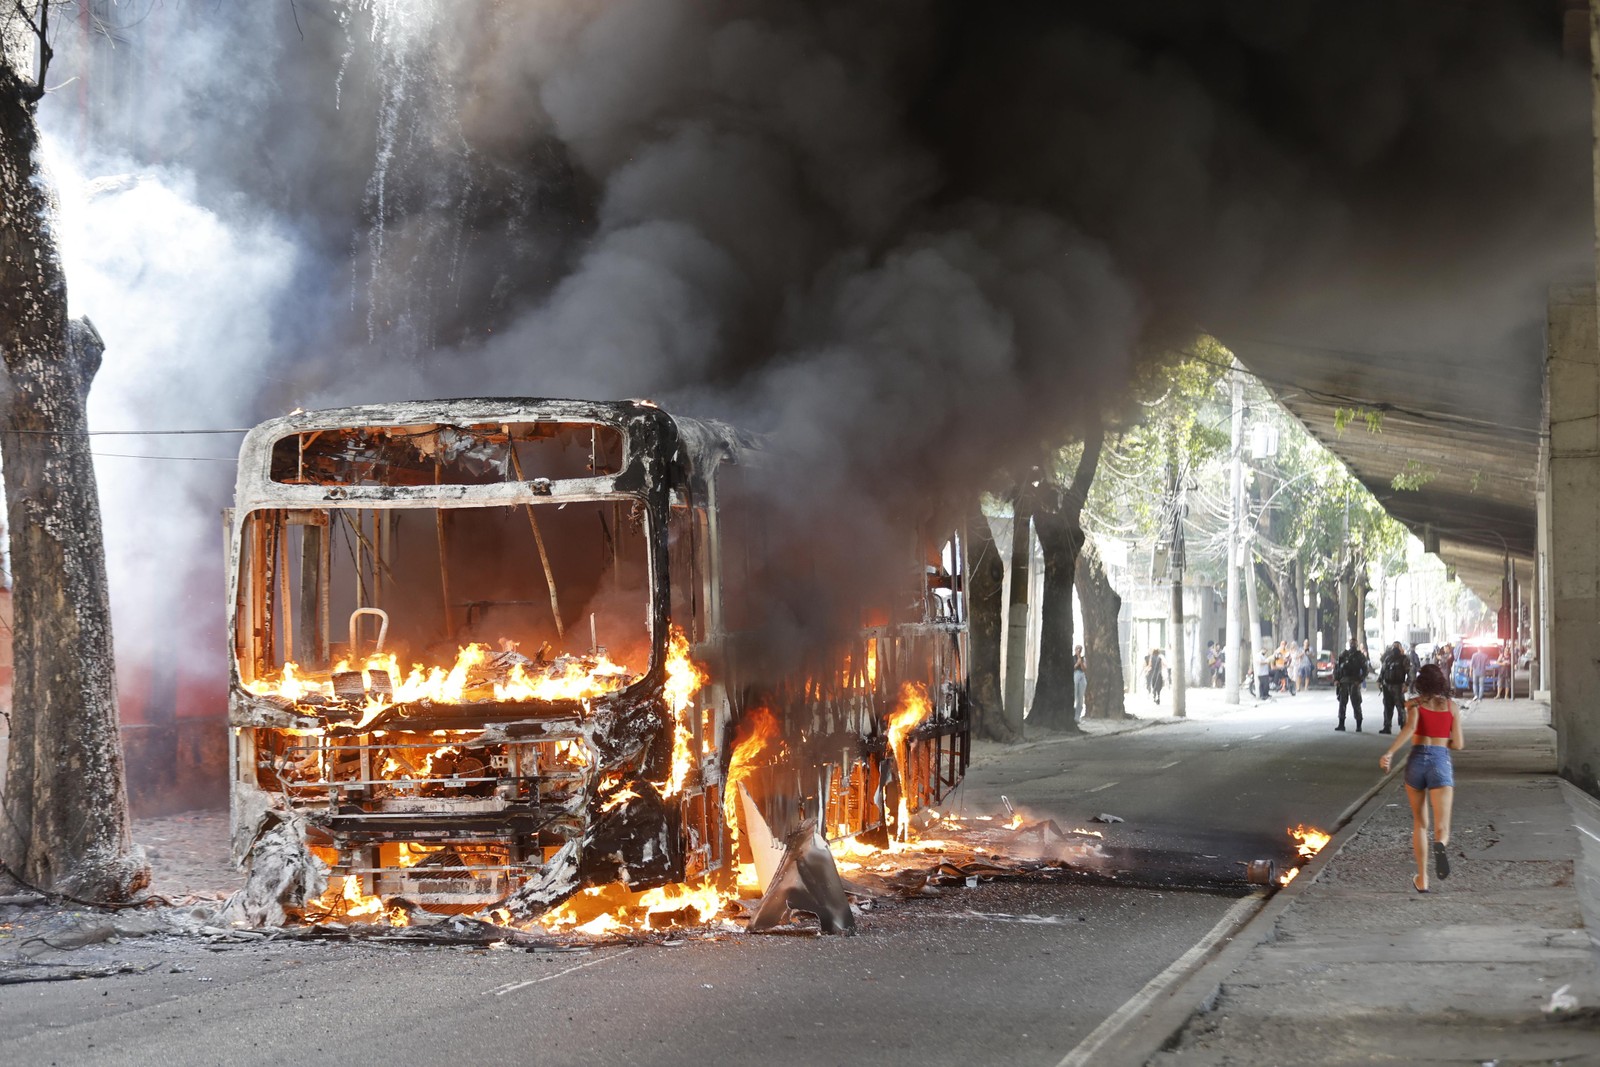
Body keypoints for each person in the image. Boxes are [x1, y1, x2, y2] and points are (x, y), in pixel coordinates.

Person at [1379, 663, 1465, 892]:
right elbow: (1458, 744)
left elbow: (1409, 728)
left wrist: (1390, 752)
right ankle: (1440, 844)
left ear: (1421, 683)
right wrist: (1440, 742)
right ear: (1442, 682)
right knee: (1442, 827)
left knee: (1420, 824)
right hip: (1440, 762)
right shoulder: (1451, 707)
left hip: (1416, 762)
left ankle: (1423, 878)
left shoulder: (1413, 704)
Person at [1334, 636, 1370, 731]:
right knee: (1342, 703)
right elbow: (1337, 668)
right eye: (1351, 643)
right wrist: (1336, 679)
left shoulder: (1360, 656)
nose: (1352, 645)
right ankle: (1341, 724)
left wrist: (1360, 680)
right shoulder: (1343, 654)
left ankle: (1359, 725)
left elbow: (1366, 669)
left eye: (1354, 643)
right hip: (1344, 682)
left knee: (1356, 703)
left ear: (1357, 644)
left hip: (1354, 681)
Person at [1073, 645, 1088, 720]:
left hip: (1082, 675)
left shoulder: (1083, 658)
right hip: (1075, 674)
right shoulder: (1072, 658)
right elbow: (1073, 667)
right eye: (1077, 649)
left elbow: (1084, 668)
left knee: (1080, 698)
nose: (1078, 651)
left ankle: (1077, 717)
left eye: (1080, 649)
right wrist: (1077, 663)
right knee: (1075, 695)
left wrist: (1080, 662)